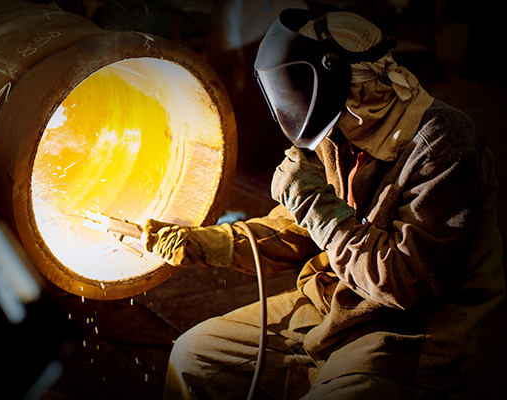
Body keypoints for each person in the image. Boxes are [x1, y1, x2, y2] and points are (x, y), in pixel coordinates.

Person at [142, 9, 505, 400]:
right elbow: (304, 228)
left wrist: (311, 198)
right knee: (195, 356)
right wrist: (209, 243)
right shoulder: (343, 130)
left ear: (354, 87)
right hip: (334, 305)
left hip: (409, 334)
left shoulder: (444, 148)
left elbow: (404, 282)